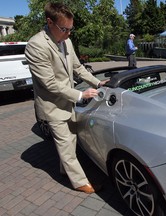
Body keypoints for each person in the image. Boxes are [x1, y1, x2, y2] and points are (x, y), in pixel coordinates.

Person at [25, 2, 107, 194]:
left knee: (71, 140)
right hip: (52, 105)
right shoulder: (36, 46)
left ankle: (65, 171)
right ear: (49, 22)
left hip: (67, 100)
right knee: (65, 144)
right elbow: (50, 84)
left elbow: (78, 68)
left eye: (71, 29)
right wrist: (80, 94)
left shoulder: (66, 40)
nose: (69, 33)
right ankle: (79, 182)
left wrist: (97, 83)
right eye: (64, 29)